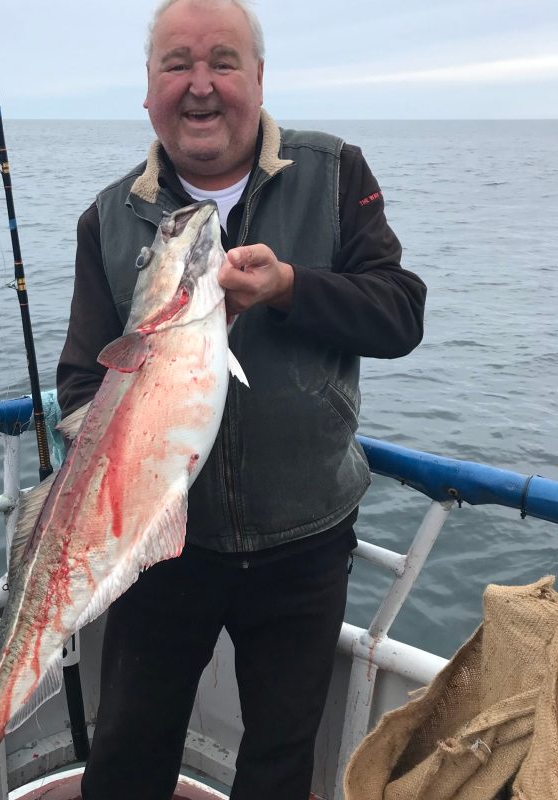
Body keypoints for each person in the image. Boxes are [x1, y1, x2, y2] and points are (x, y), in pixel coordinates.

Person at [56, 0, 427, 797]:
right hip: (160, 548)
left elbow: (400, 311)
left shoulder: (335, 174)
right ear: (148, 88)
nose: (200, 86)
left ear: (257, 78)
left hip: (305, 537)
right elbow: (83, 379)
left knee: (281, 763)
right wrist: (102, 462)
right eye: (176, 64)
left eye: (223, 62)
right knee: (125, 755)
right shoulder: (110, 218)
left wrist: (294, 288)